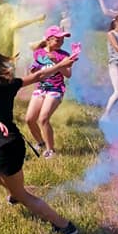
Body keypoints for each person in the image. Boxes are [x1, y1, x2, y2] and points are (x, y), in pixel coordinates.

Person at [0, 44, 79, 234]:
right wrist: (60, 64)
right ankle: (14, 191)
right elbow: (37, 77)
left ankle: (65, 226)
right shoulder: (6, 83)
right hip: (9, 141)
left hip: (4, 146)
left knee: (24, 196)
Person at [25, 26, 75, 158]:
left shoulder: (64, 55)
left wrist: (57, 62)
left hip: (55, 89)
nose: (61, 42)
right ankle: (40, 143)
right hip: (40, 89)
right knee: (29, 119)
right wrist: (32, 70)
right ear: (48, 40)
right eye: (57, 39)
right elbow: (35, 67)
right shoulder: (39, 53)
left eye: (62, 39)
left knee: (43, 119)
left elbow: (68, 74)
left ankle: (50, 150)